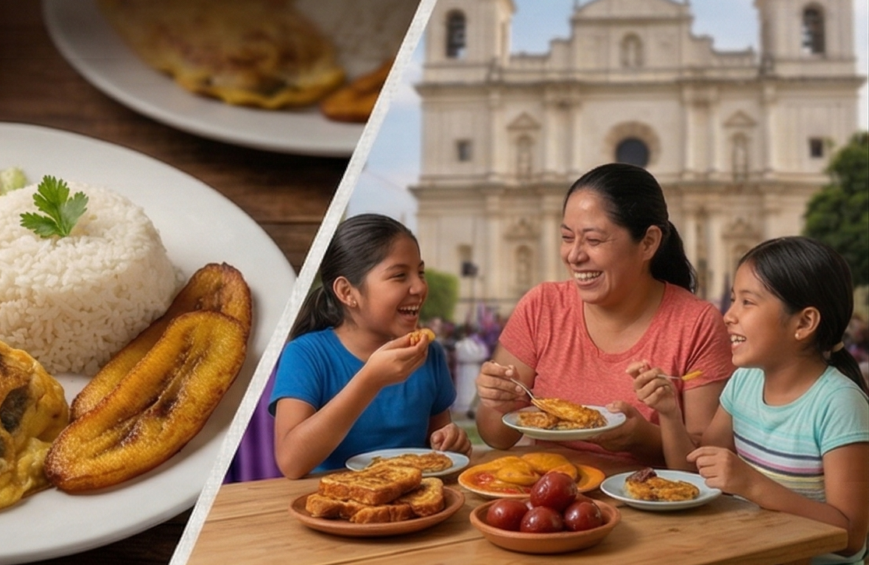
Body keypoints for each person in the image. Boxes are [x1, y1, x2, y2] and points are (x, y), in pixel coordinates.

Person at [634, 237, 867, 565]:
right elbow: (694, 475)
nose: (728, 314)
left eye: (748, 301)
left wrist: (752, 485)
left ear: (804, 322)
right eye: (732, 298)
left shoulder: (839, 403)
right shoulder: (745, 382)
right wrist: (668, 413)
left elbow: (851, 534)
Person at [472, 163, 732, 462]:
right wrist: (498, 399)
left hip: (648, 499)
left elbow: (706, 460)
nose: (574, 255)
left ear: (648, 242)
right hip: (550, 495)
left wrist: (642, 439)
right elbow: (496, 436)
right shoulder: (541, 306)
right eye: (567, 237)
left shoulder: (696, 324)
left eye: (593, 240)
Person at [270, 214, 467, 477]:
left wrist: (450, 440)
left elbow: (439, 444)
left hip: (417, 502)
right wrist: (370, 380)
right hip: (332, 504)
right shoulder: (306, 354)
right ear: (347, 292)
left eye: (420, 273)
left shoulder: (429, 354)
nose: (420, 286)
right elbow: (291, 463)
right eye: (399, 275)